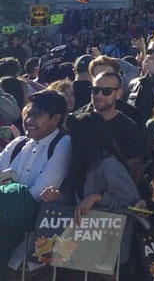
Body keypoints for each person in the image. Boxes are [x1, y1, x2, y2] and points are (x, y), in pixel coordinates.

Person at [0, 91, 71, 276]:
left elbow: (36, 194)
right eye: (28, 114)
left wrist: (10, 191)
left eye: (36, 115)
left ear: (55, 119)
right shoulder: (17, 144)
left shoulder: (63, 144)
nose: (29, 120)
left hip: (35, 253)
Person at [40, 112, 139, 224]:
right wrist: (55, 196)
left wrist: (98, 198)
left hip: (109, 234)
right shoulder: (79, 163)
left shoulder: (109, 165)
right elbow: (72, 198)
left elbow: (132, 202)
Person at [89, 71, 147, 177]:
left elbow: (133, 168)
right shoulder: (79, 122)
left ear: (118, 93)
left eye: (106, 91)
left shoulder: (129, 129)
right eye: (95, 90)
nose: (99, 95)